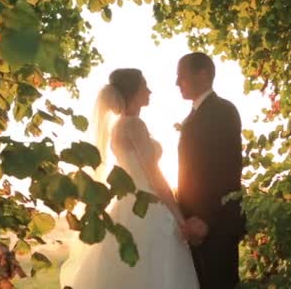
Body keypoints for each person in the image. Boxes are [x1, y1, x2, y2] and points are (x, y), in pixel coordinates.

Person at [60, 68, 199, 289]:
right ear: (134, 91)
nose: (150, 91)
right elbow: (153, 174)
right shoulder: (134, 125)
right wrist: (180, 218)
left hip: (127, 205)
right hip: (148, 206)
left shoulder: (120, 126)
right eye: (145, 86)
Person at [176, 52, 246, 289]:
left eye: (181, 76)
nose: (177, 83)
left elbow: (227, 169)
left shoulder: (223, 111)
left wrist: (205, 218)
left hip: (216, 225)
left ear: (203, 75)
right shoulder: (192, 117)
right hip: (193, 227)